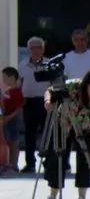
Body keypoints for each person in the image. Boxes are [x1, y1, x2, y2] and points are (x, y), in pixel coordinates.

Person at [40, 68, 90, 199]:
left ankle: (82, 197)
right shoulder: (74, 85)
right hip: (64, 123)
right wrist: (48, 101)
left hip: (85, 129)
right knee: (57, 158)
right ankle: (53, 195)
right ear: (86, 86)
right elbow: (50, 90)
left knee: (85, 160)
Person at [17, 36, 50, 173]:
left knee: (47, 134)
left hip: (45, 102)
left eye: (38, 47)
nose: (35, 50)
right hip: (28, 102)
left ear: (43, 49)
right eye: (32, 48)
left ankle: (48, 163)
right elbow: (18, 84)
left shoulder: (49, 64)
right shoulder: (22, 65)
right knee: (29, 134)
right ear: (28, 49)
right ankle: (30, 163)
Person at [1, 67, 24, 172]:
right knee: (8, 142)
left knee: (14, 142)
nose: (3, 80)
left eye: (5, 77)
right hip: (5, 120)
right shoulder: (7, 91)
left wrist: (9, 117)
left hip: (13, 120)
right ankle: (9, 163)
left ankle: (14, 164)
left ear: (12, 78)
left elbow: (19, 108)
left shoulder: (17, 92)